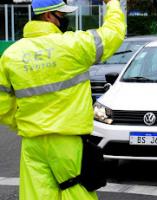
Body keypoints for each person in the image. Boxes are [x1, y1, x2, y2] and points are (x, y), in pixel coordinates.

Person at [0, 0, 126, 199]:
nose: (64, 20)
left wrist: (22, 124)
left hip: (32, 143)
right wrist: (112, 4)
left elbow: (2, 104)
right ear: (48, 16)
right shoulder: (74, 45)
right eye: (62, 15)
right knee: (76, 192)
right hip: (67, 142)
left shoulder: (11, 55)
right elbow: (114, 33)